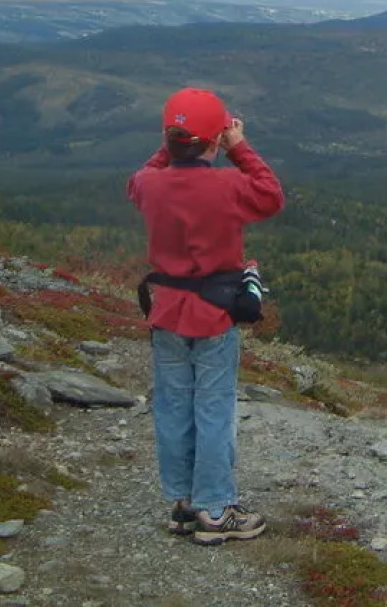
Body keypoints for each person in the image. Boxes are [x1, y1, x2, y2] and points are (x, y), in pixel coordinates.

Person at [128, 87, 284, 545]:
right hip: (214, 316)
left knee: (173, 407)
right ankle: (214, 511)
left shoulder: (150, 185)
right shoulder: (228, 185)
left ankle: (181, 505)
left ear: (170, 139)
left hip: (166, 313)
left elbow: (142, 176)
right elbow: (271, 196)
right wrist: (240, 147)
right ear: (215, 142)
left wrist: (171, 142)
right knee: (213, 411)